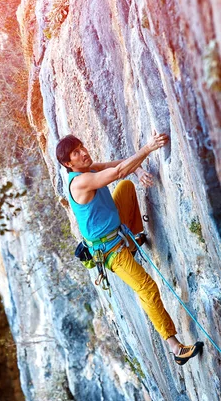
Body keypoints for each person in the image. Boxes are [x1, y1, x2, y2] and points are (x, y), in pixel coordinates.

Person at [56, 132, 203, 366]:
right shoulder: (80, 181)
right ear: (68, 163)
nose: (83, 152)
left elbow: (119, 167)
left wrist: (137, 170)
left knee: (124, 188)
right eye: (76, 152)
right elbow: (117, 171)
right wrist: (148, 148)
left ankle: (133, 240)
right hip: (110, 251)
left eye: (82, 147)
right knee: (147, 287)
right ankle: (175, 347)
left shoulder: (89, 169)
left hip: (116, 229)